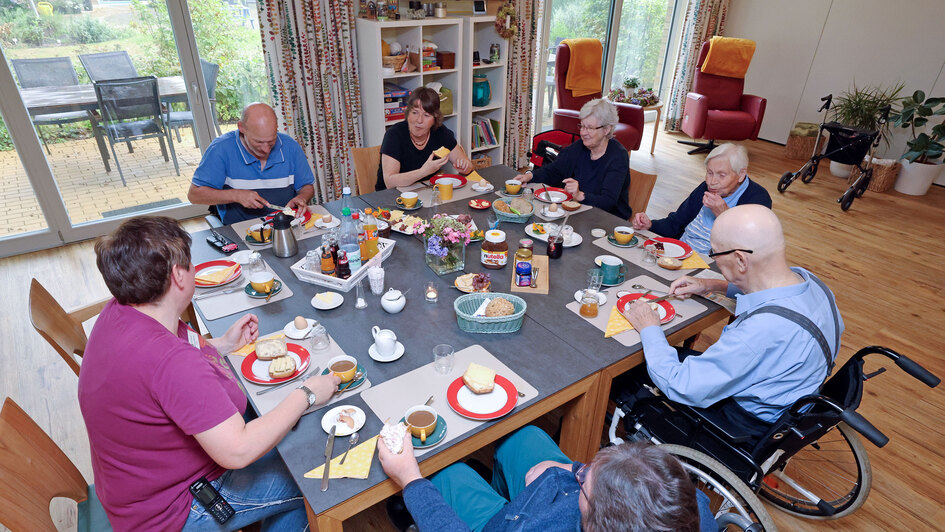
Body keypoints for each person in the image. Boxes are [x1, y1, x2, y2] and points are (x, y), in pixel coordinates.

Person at [77, 216, 340, 531]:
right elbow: (238, 450)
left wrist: (223, 345)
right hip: (175, 509)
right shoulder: (169, 361)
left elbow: (166, 367)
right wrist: (308, 394)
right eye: (190, 264)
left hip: (135, 489)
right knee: (311, 474)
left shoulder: (122, 311)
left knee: (285, 441)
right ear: (178, 276)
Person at [621, 205, 843, 438]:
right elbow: (766, 289)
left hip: (743, 424)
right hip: (793, 394)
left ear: (740, 260)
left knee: (631, 370)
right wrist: (711, 285)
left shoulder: (760, 331)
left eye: (715, 254)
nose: (714, 259)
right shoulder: (814, 284)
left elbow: (681, 385)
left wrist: (649, 327)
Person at [378, 425, 713, 532]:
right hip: (545, 504)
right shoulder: (690, 508)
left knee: (449, 473)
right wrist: (569, 471)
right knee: (524, 437)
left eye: (584, 481)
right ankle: (497, 491)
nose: (577, 472)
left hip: (514, 524)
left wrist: (410, 480)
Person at [631, 143, 771, 255]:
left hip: (711, 268)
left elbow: (748, 251)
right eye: (709, 173)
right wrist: (650, 225)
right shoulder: (706, 187)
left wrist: (724, 215)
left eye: (722, 175)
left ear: (741, 174)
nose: (712, 181)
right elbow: (676, 222)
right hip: (679, 253)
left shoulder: (758, 200)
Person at [188, 102, 316, 225]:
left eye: (271, 141)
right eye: (259, 142)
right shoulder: (220, 149)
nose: (266, 149)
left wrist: (302, 198)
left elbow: (306, 186)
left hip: (287, 225)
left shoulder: (290, 146)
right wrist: (236, 195)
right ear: (241, 128)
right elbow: (194, 195)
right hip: (242, 230)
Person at [515, 98, 631, 219]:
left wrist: (580, 195)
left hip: (608, 220)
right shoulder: (580, 146)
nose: (583, 133)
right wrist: (529, 176)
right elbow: (555, 170)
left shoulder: (618, 157)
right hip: (579, 212)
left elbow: (608, 202)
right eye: (582, 126)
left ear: (606, 129)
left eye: (590, 128)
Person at [377, 87, 472, 190]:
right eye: (414, 113)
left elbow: (468, 166)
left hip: (424, 192)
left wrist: (465, 166)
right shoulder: (394, 135)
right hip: (390, 197)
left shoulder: (440, 132)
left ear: (435, 119)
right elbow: (390, 182)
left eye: (426, 115)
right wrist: (424, 171)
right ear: (407, 113)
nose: (419, 120)